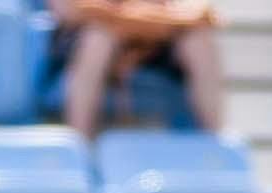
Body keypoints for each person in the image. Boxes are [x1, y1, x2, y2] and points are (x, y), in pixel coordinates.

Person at [51, 0, 226, 137]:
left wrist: (144, 17)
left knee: (198, 43)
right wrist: (117, 16)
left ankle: (213, 142)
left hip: (154, 33)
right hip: (91, 32)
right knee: (98, 41)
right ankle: (81, 144)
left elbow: (179, 6)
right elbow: (67, 12)